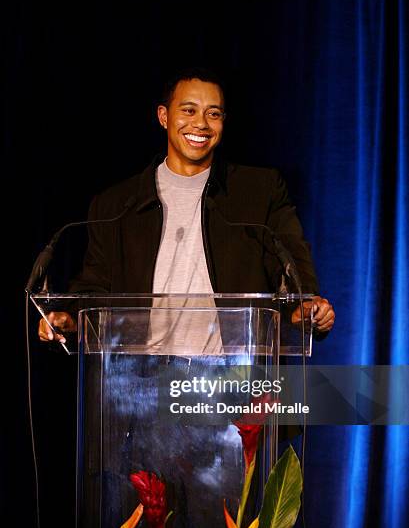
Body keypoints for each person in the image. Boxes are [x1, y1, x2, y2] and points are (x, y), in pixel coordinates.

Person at [38, 67, 335, 343]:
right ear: (164, 116)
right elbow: (94, 287)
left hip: (234, 377)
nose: (201, 124)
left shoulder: (259, 191)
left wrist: (305, 305)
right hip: (141, 380)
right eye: (189, 111)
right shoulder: (116, 205)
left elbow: (291, 260)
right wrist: (69, 319)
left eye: (213, 114)